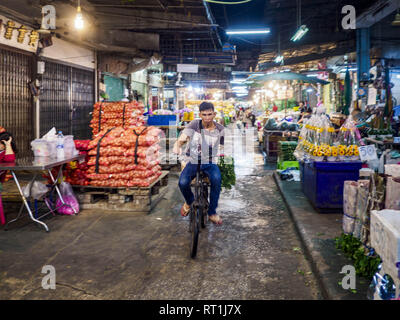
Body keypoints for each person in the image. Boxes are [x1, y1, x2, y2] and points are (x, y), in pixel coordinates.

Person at [172, 102, 224, 225]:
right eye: (204, 115)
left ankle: (212, 213)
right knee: (183, 182)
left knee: (216, 179)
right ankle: (190, 201)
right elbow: (182, 138)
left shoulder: (220, 129)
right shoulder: (194, 124)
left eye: (210, 114)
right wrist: (177, 145)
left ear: (214, 114)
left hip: (210, 162)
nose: (207, 118)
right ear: (200, 114)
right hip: (193, 161)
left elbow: (222, 146)